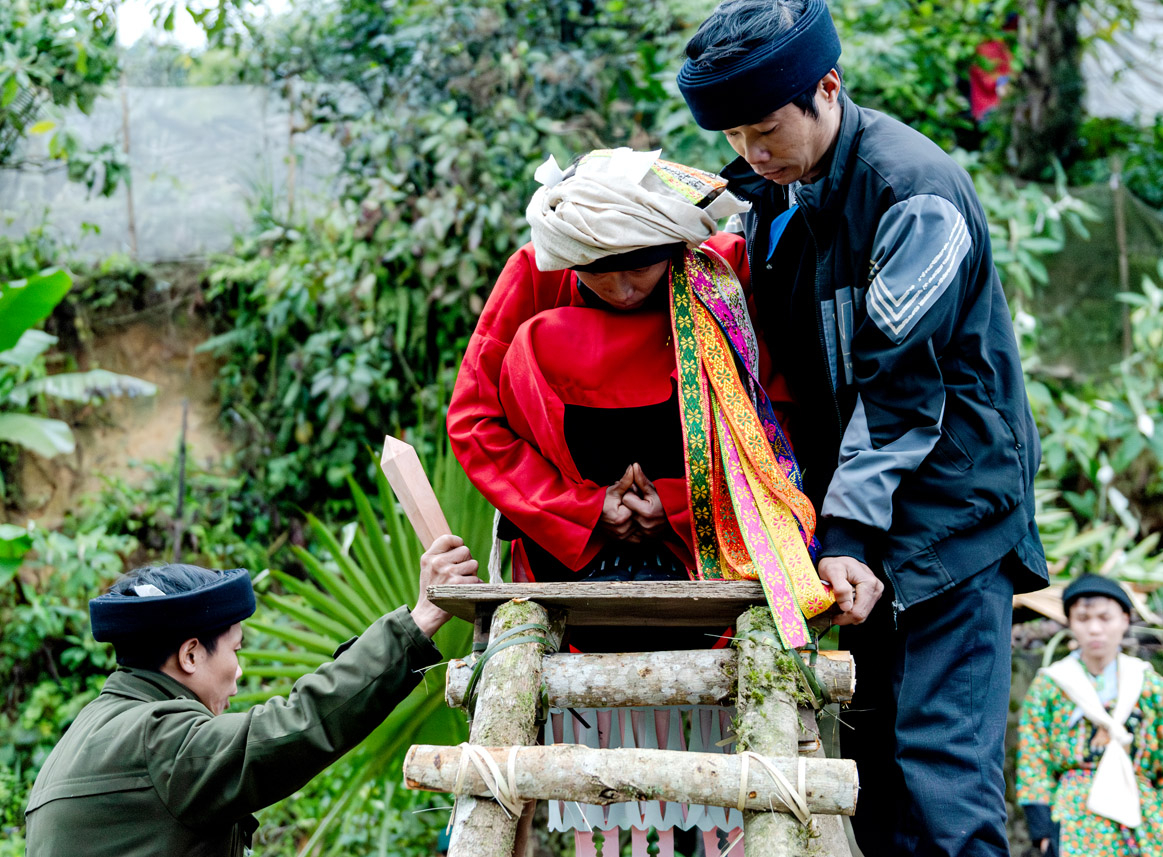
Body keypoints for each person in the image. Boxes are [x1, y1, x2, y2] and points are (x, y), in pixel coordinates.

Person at [676, 2, 1050, 855]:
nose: (751, 152)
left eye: (765, 129)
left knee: (943, 777)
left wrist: (848, 529)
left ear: (828, 88)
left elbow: (899, 386)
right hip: (857, 524)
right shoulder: (774, 198)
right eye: (733, 135)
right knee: (869, 772)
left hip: (951, 516)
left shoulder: (913, 192)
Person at [447, 147, 834, 857]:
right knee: (569, 803)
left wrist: (682, 507)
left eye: (642, 263)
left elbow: (769, 421)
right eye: (600, 267)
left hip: (707, 565)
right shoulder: (536, 272)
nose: (624, 285)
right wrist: (587, 509)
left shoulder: (715, 273)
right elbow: (476, 419)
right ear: (569, 256)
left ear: (675, 246)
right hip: (567, 567)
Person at [23, 535, 481, 857]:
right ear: (190, 655)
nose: (238, 674)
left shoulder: (87, 732)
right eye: (235, 651)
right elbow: (294, 727)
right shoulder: (156, 741)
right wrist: (418, 621)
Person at [1016, 574, 1163, 857]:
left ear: (1124, 619)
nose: (1095, 629)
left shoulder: (1150, 685)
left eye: (1105, 617)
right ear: (1070, 623)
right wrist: (1044, 833)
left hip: (1144, 819)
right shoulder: (1050, 685)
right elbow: (1034, 761)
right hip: (1073, 820)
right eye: (1083, 619)